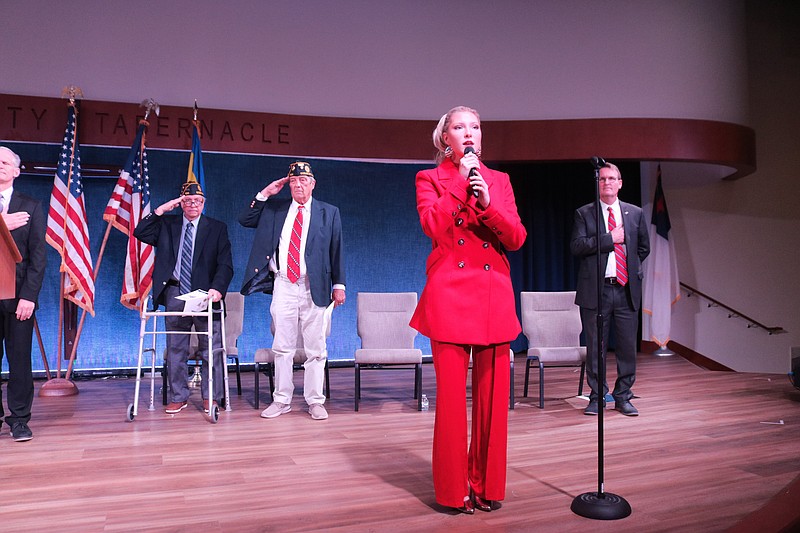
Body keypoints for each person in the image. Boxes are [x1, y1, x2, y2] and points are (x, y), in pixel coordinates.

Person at [409, 107, 527, 514]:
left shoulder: (500, 180)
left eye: (475, 126)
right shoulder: (430, 178)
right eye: (459, 127)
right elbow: (432, 226)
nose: (469, 133)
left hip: (494, 294)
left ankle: (487, 486)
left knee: (494, 405)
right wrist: (460, 185)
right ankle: (452, 491)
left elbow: (516, 238)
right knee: (452, 403)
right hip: (450, 296)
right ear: (446, 138)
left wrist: (489, 202)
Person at [239, 161, 345, 421]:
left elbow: (336, 248)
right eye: (294, 182)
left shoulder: (328, 212)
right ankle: (281, 399)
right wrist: (266, 194)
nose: (298, 185)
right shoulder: (275, 210)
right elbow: (245, 219)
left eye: (303, 181)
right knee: (282, 346)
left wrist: (339, 284)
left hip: (314, 286)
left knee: (316, 348)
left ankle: (315, 401)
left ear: (313, 184)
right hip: (284, 283)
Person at [134, 177, 233, 415]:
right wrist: (160, 210)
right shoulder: (168, 225)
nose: (192, 205)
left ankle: (211, 396)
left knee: (211, 348)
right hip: (175, 292)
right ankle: (179, 396)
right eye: (187, 201)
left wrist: (218, 289)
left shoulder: (217, 228)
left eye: (197, 201)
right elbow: (140, 232)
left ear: (203, 203)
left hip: (205, 295)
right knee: (176, 348)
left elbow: (225, 265)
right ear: (181, 203)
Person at [570, 161, 650, 416]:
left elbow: (643, 248)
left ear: (620, 183)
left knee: (627, 348)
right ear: (598, 183)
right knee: (596, 348)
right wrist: (609, 239)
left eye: (612, 178)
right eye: (603, 179)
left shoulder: (635, 213)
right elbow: (577, 246)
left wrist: (631, 267)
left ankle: (624, 396)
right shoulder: (585, 213)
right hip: (597, 291)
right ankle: (597, 396)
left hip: (626, 290)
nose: (607, 183)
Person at [0, 146, 46, 442]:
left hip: (18, 298)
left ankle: (19, 420)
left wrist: (29, 296)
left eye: (4, 162)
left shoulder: (30, 205)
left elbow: (38, 257)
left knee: (19, 361)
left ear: (16, 171)